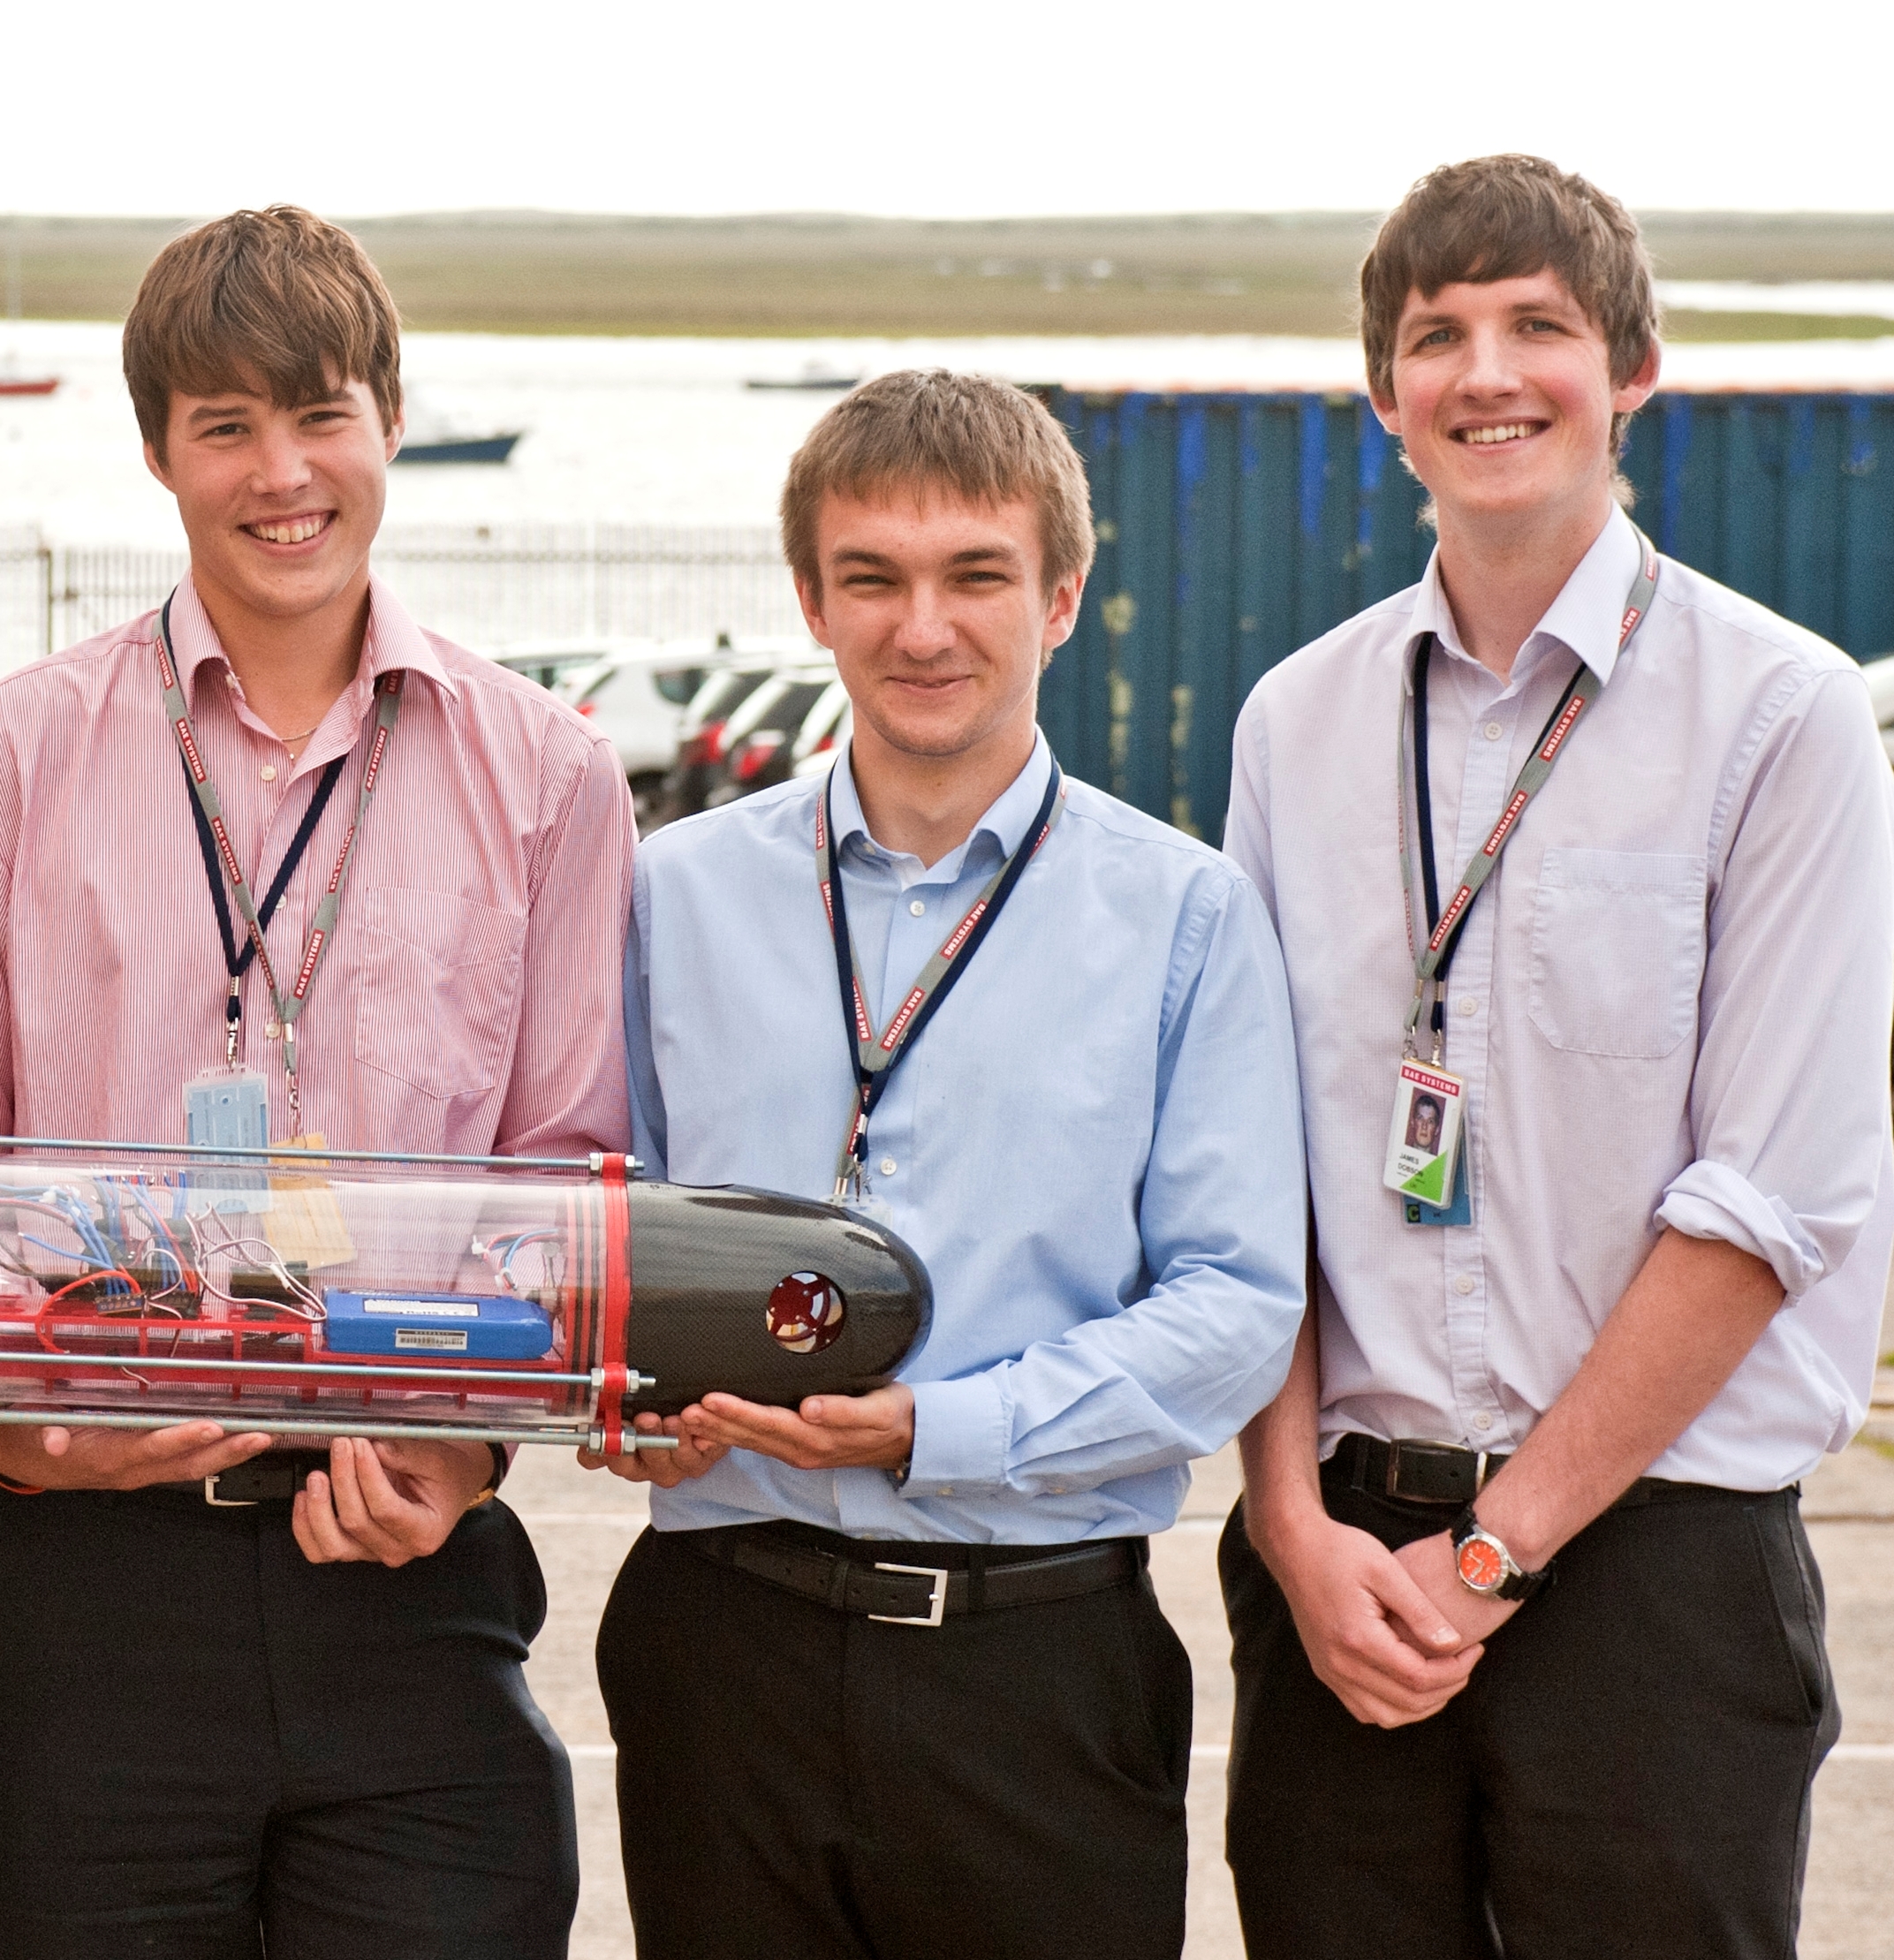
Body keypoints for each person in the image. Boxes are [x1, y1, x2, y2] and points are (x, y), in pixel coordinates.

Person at [0, 204, 636, 1957]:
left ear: (388, 418)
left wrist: (457, 1457)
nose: (280, 473)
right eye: (225, 425)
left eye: (320, 416)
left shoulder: (548, 773)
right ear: (159, 450)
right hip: (81, 1588)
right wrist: (21, 1428)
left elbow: (565, 1168)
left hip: (401, 1558)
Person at [1219, 155, 1891, 1957]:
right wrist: (1286, 1524)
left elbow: (1769, 1200)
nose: (1486, 372)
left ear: (1633, 373)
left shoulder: (1783, 716)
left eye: (1540, 327)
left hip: (1647, 1568)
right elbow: (1248, 1168)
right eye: (1436, 336)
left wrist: (1497, 1551)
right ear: (1384, 400)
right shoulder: (1295, 723)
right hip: (1340, 1561)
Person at [591, 368, 1307, 1958]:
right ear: (812, 601)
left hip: (1037, 1669)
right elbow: (605, 1228)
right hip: (727, 1651)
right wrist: (624, 1406)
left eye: (976, 575)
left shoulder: (1187, 917)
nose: (925, 626)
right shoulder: (674, 896)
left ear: (1060, 597)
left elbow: (1240, 1303)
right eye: (875, 579)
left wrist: (935, 1428)